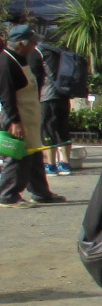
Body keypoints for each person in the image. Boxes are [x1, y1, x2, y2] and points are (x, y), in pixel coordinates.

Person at [0, 25, 65, 207]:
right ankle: (8, 194)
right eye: (32, 42)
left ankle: (40, 192)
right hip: (17, 117)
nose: (35, 45)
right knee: (17, 155)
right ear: (22, 44)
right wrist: (15, 121)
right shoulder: (6, 63)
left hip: (29, 116)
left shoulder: (21, 59)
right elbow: (7, 96)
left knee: (34, 154)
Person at [32, 34, 73, 177]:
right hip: (63, 96)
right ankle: (66, 164)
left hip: (46, 97)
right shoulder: (59, 52)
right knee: (63, 129)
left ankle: (51, 165)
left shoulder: (38, 53)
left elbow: (35, 76)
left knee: (47, 130)